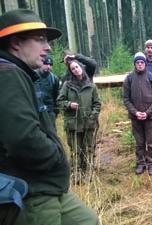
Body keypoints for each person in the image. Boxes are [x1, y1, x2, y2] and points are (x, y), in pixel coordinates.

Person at [0, 9, 98, 224]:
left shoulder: (21, 74)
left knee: (88, 220)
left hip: (48, 184)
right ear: (16, 43)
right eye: (40, 40)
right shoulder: (7, 75)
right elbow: (22, 138)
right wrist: (56, 158)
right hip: (31, 190)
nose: (48, 47)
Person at [57, 57, 101, 182]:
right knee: (76, 150)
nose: (76, 70)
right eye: (73, 69)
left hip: (88, 123)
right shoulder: (67, 85)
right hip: (73, 123)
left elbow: (97, 104)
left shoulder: (91, 86)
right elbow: (59, 101)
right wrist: (69, 104)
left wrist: (92, 117)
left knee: (89, 148)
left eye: (77, 67)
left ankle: (89, 173)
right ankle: (76, 174)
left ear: (81, 68)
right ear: (71, 72)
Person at [123, 52, 152, 176]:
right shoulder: (129, 79)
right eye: (137, 63)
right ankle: (140, 163)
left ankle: (151, 164)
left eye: (142, 62)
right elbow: (126, 99)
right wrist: (135, 112)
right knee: (139, 143)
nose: (140, 64)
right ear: (134, 64)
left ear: (145, 63)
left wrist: (147, 113)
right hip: (136, 118)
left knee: (150, 143)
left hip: (150, 118)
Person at [34, 55, 60, 126]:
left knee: (51, 134)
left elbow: (56, 97)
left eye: (50, 65)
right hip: (35, 112)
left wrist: (55, 112)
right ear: (41, 63)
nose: (48, 67)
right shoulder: (32, 75)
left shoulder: (54, 79)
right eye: (46, 64)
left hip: (50, 112)